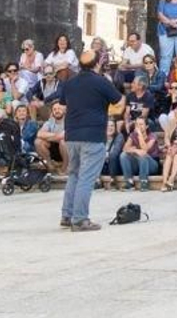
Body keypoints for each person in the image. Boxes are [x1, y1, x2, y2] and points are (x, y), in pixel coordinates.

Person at [59, 50, 122, 231]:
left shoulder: (69, 83)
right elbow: (117, 101)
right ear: (97, 64)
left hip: (71, 135)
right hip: (93, 135)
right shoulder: (101, 81)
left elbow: (63, 104)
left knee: (74, 175)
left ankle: (67, 215)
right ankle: (79, 219)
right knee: (86, 178)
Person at [118, 119, 159, 191]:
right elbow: (125, 149)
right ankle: (129, 182)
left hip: (152, 165)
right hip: (138, 164)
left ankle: (144, 182)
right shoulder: (133, 135)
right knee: (123, 155)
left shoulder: (152, 136)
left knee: (143, 155)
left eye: (141, 124)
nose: (139, 126)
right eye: (137, 124)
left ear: (146, 126)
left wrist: (140, 135)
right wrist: (136, 150)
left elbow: (145, 150)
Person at [156, 103, 177, 190]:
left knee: (176, 156)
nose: (175, 111)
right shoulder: (172, 122)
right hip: (172, 147)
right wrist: (169, 146)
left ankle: (171, 179)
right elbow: (167, 137)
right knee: (169, 156)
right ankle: (164, 182)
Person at [36, 100, 68, 173]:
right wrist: (56, 136)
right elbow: (39, 134)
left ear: (64, 110)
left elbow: (64, 137)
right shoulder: (50, 121)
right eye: (54, 109)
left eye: (59, 109)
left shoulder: (69, 121)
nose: (57, 111)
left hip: (68, 151)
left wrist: (49, 137)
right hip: (54, 150)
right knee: (38, 142)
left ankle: (65, 168)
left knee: (63, 142)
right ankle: (50, 165)